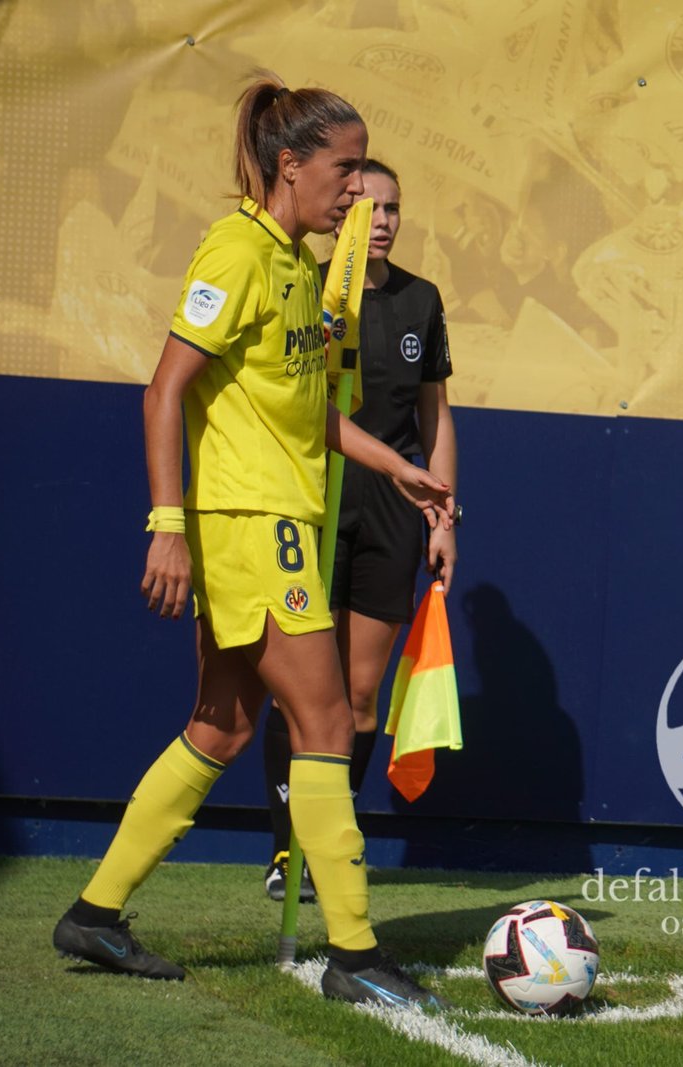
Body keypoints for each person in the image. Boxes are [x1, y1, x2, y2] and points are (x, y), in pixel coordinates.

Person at [51, 74, 452, 1010]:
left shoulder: (298, 266)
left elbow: (304, 416)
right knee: (323, 724)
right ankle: (354, 954)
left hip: (281, 524)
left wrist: (398, 469)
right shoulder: (235, 252)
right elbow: (163, 390)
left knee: (224, 725)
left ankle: (96, 911)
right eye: (346, 169)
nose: (357, 190)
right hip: (249, 529)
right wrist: (167, 525)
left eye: (362, 171)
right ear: (291, 165)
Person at [261, 158, 458, 901]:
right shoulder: (304, 287)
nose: (381, 222)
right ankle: (291, 852)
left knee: (362, 694)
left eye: (393, 210)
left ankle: (334, 829)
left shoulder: (421, 299)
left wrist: (444, 511)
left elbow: (435, 417)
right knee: (303, 690)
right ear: (341, 213)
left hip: (391, 502)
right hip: (311, 495)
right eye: (368, 208)